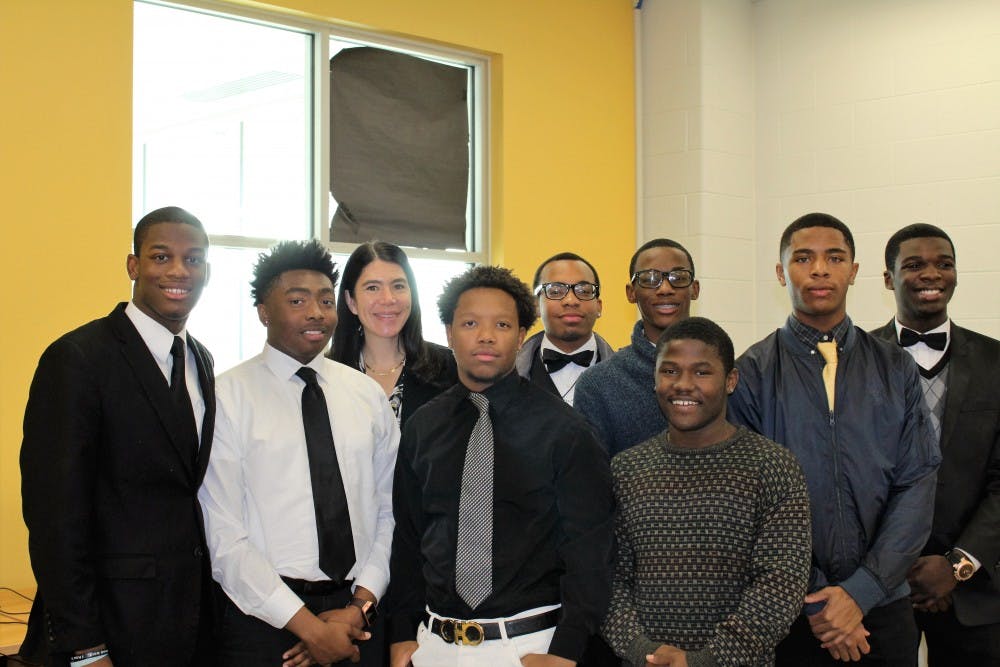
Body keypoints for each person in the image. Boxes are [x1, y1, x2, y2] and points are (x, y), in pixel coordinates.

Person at [728, 212, 940, 666]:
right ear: (781, 272)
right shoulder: (752, 373)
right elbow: (748, 500)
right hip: (789, 611)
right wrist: (821, 600)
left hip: (884, 604)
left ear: (854, 271)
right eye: (804, 258)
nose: (820, 270)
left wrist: (860, 592)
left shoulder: (895, 367)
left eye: (835, 258)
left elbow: (917, 484)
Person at [388, 265, 614, 667]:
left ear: (521, 336)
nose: (486, 336)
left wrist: (567, 650)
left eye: (503, 324)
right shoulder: (422, 426)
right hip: (434, 644)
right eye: (470, 323)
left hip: (530, 646)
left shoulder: (566, 431)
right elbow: (407, 537)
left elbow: (590, 551)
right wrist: (402, 633)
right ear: (449, 333)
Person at [20, 206, 215, 666]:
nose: (178, 271)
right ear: (133, 266)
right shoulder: (78, 358)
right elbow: (54, 518)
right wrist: (86, 647)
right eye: (161, 257)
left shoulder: (201, 360)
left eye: (193, 259)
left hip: (184, 627)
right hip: (106, 630)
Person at [198, 240, 398, 667]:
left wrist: (358, 607)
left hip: (358, 617)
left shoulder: (366, 395)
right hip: (264, 620)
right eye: (297, 301)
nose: (316, 313)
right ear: (263, 312)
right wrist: (309, 628)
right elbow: (223, 535)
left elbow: (391, 509)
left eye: (326, 300)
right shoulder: (225, 398)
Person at [603, 317, 811, 667]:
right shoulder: (625, 469)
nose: (683, 385)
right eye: (670, 371)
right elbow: (609, 579)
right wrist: (643, 651)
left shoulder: (772, 466)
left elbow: (780, 584)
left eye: (701, 372)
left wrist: (704, 660)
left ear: (730, 381)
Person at [872, 223, 1000, 665]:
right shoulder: (855, 360)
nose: (931, 274)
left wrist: (957, 564)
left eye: (944, 264)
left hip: (979, 595)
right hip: (878, 592)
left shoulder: (996, 362)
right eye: (914, 265)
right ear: (888, 278)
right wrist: (893, 565)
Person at [575, 239, 700, 455]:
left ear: (694, 289)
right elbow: (591, 471)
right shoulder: (597, 385)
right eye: (650, 279)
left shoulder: (721, 373)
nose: (665, 288)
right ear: (631, 292)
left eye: (678, 278)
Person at [329, 241, 456, 423]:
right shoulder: (327, 374)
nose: (388, 299)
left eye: (398, 286)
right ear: (351, 301)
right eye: (373, 288)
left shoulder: (447, 367)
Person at [515, 252, 615, 406]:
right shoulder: (506, 377)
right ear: (536, 306)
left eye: (583, 291)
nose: (571, 300)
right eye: (555, 291)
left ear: (599, 306)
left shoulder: (626, 376)